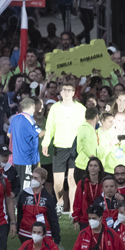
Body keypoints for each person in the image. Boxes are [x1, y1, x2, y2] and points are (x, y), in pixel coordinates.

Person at [41, 82, 86, 211]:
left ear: (73, 93)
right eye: (64, 90)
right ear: (60, 93)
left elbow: (85, 128)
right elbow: (50, 128)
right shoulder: (55, 108)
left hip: (75, 147)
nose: (66, 92)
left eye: (69, 90)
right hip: (59, 146)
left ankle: (72, 210)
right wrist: (46, 143)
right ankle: (60, 203)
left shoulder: (81, 108)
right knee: (58, 182)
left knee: (72, 180)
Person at [16, 167, 60, 246]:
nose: (33, 180)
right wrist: (17, 227)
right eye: (32, 177)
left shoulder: (48, 198)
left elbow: (53, 218)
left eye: (36, 178)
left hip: (43, 233)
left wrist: (56, 236)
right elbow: (20, 213)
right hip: (25, 232)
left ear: (42, 181)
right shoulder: (24, 194)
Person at [10, 98, 42, 183]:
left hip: (17, 157)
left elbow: (9, 134)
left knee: (21, 182)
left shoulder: (15, 118)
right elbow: (40, 134)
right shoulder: (29, 120)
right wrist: (52, 129)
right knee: (26, 185)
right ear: (31, 106)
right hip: (27, 158)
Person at [71, 154, 103, 231]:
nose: (93, 168)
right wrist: (76, 219)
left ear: (99, 168)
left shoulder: (104, 183)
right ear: (88, 168)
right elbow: (77, 202)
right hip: (85, 219)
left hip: (101, 218)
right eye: (90, 165)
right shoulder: (82, 183)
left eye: (95, 166)